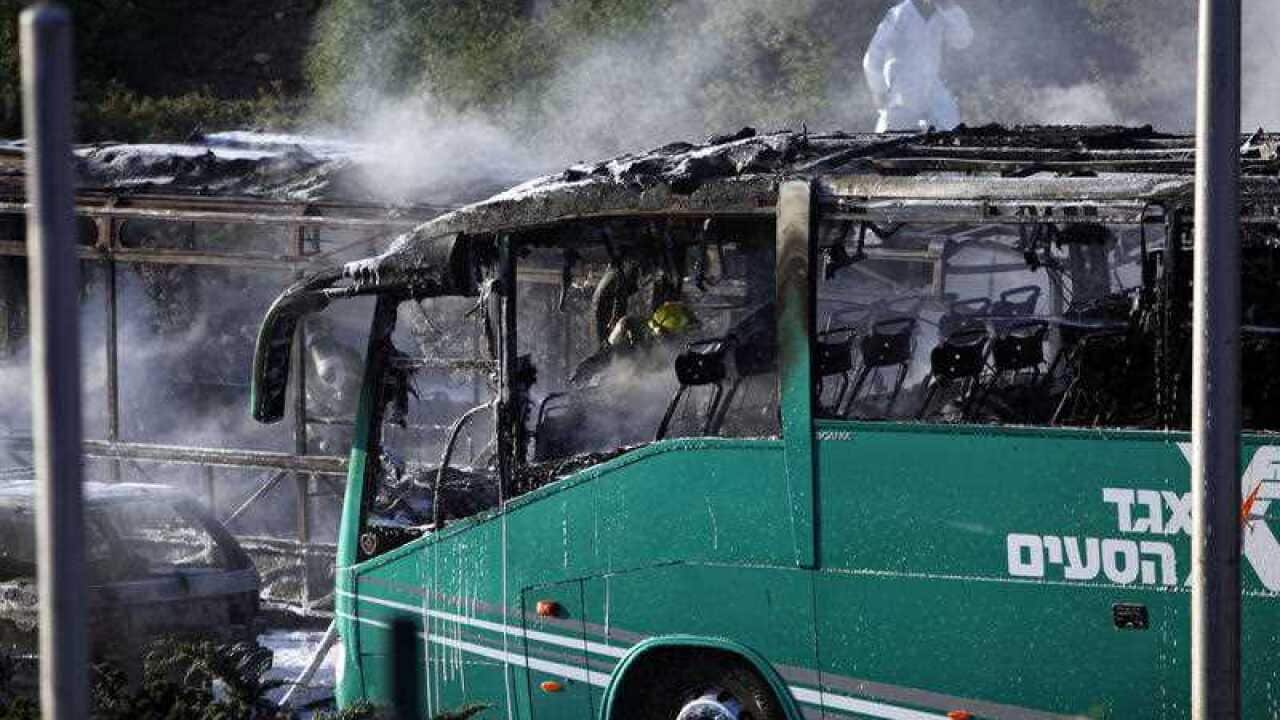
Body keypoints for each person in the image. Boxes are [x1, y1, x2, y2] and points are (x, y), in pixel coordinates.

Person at [863, 0, 974, 133]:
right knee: (889, 139)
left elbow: (963, 40)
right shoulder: (899, 14)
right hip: (901, 91)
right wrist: (879, 90)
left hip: (931, 85)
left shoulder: (942, 13)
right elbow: (873, 55)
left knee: (952, 127)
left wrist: (950, 10)